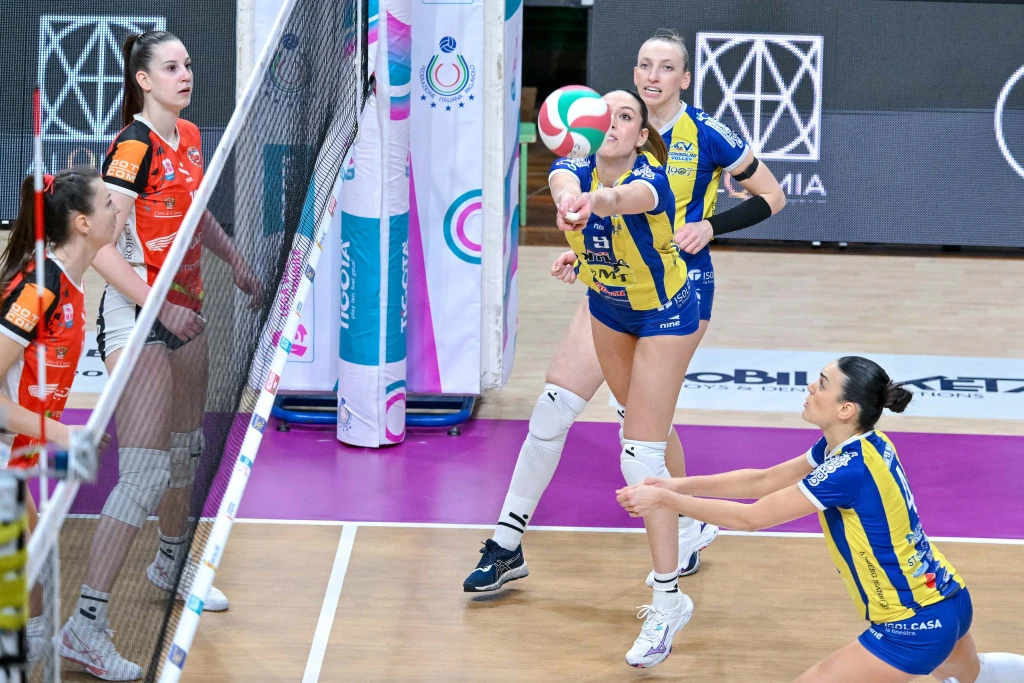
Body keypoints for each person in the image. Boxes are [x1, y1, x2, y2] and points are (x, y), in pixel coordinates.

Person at [465, 29, 785, 594]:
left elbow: (772, 196)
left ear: (684, 78)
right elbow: (581, 187)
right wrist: (583, 245)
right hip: (611, 280)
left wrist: (710, 226)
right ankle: (506, 544)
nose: (653, 76)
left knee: (641, 426)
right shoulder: (603, 127)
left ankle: (685, 526)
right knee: (554, 407)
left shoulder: (705, 134)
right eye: (644, 65)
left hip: (676, 286)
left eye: (666, 67)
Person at [616, 356, 1024, 682]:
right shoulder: (860, 445)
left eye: (823, 384)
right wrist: (676, 485)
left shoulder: (847, 469)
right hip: (950, 599)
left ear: (846, 409)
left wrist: (666, 502)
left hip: (911, 626)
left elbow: (752, 518)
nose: (811, 387)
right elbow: (763, 480)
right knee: (977, 676)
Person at [56, 30, 259, 681]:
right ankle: (84, 626)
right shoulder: (132, 147)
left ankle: (170, 561)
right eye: (170, 67)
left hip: (188, 309)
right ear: (143, 80)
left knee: (186, 450)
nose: (185, 74)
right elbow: (100, 247)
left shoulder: (191, 136)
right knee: (142, 472)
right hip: (138, 318)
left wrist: (236, 263)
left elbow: (197, 215)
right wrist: (158, 307)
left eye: (188, 64)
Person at [0, 168, 116, 669]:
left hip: (14, 456)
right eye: (108, 203)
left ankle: (34, 649)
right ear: (82, 223)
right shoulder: (39, 289)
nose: (118, 210)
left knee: (32, 560)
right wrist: (63, 432)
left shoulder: (72, 283)